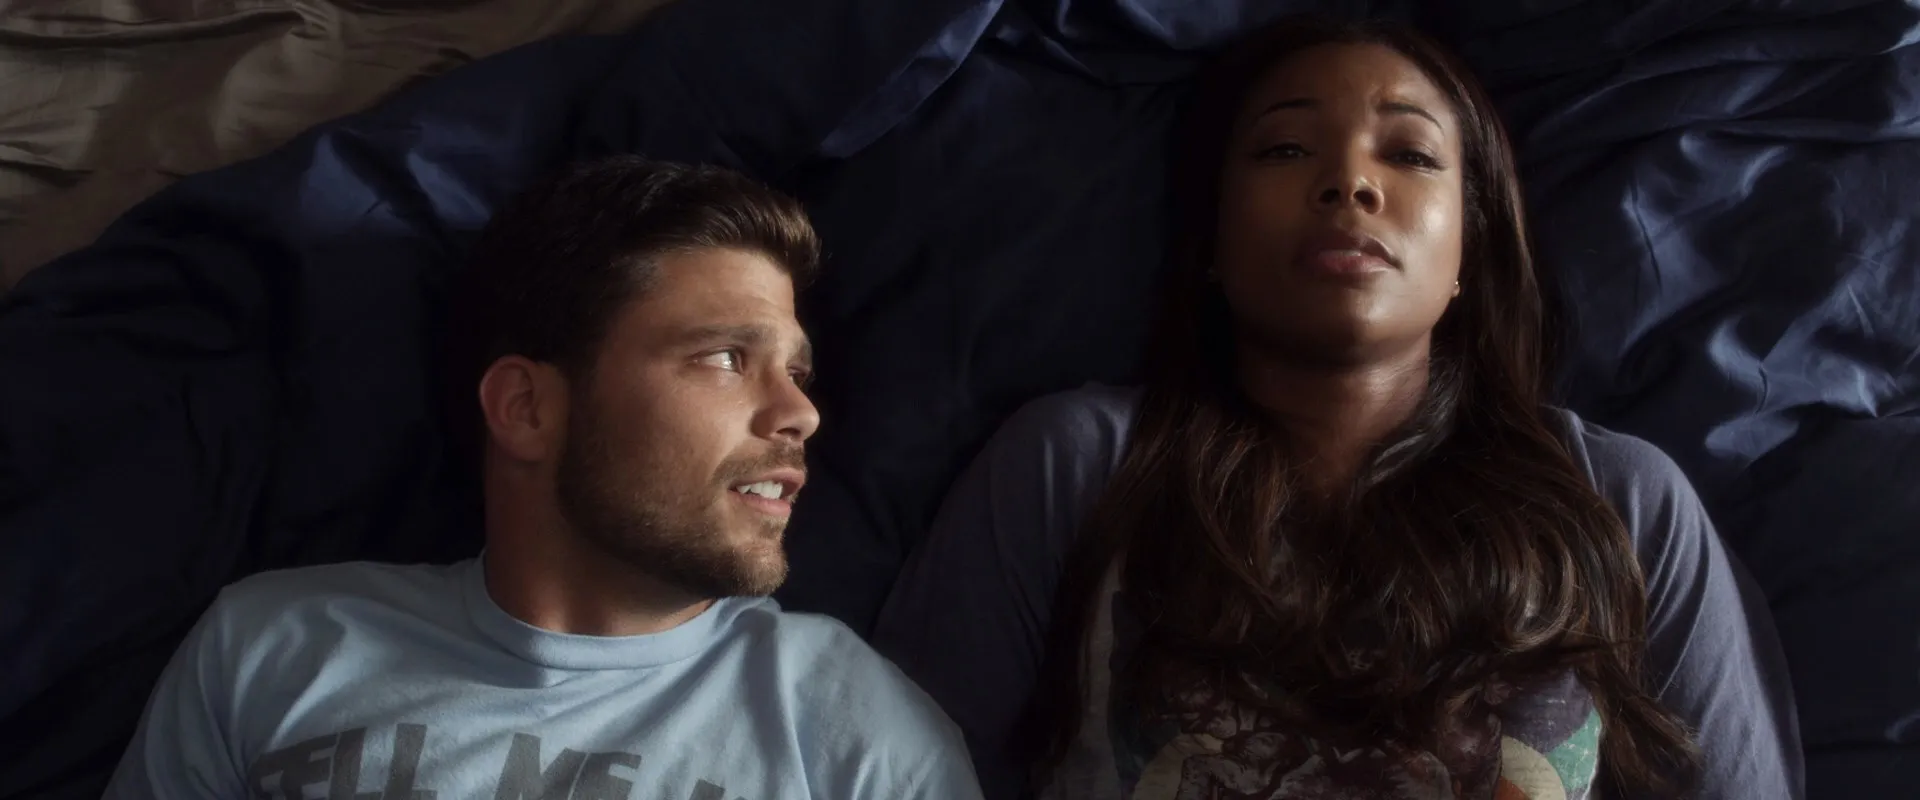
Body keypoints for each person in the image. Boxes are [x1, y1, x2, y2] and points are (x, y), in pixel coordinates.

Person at [873, 15, 1802, 800]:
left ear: (1469, 253)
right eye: (1285, 149)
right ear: (1212, 238)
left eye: (1411, 154)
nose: (1350, 182)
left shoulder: (1621, 502)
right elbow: (885, 772)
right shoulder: (1075, 467)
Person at [103, 157, 984, 800]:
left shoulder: (861, 735)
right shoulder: (270, 648)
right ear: (525, 408)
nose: (800, 413)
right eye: (725, 357)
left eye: (797, 372)